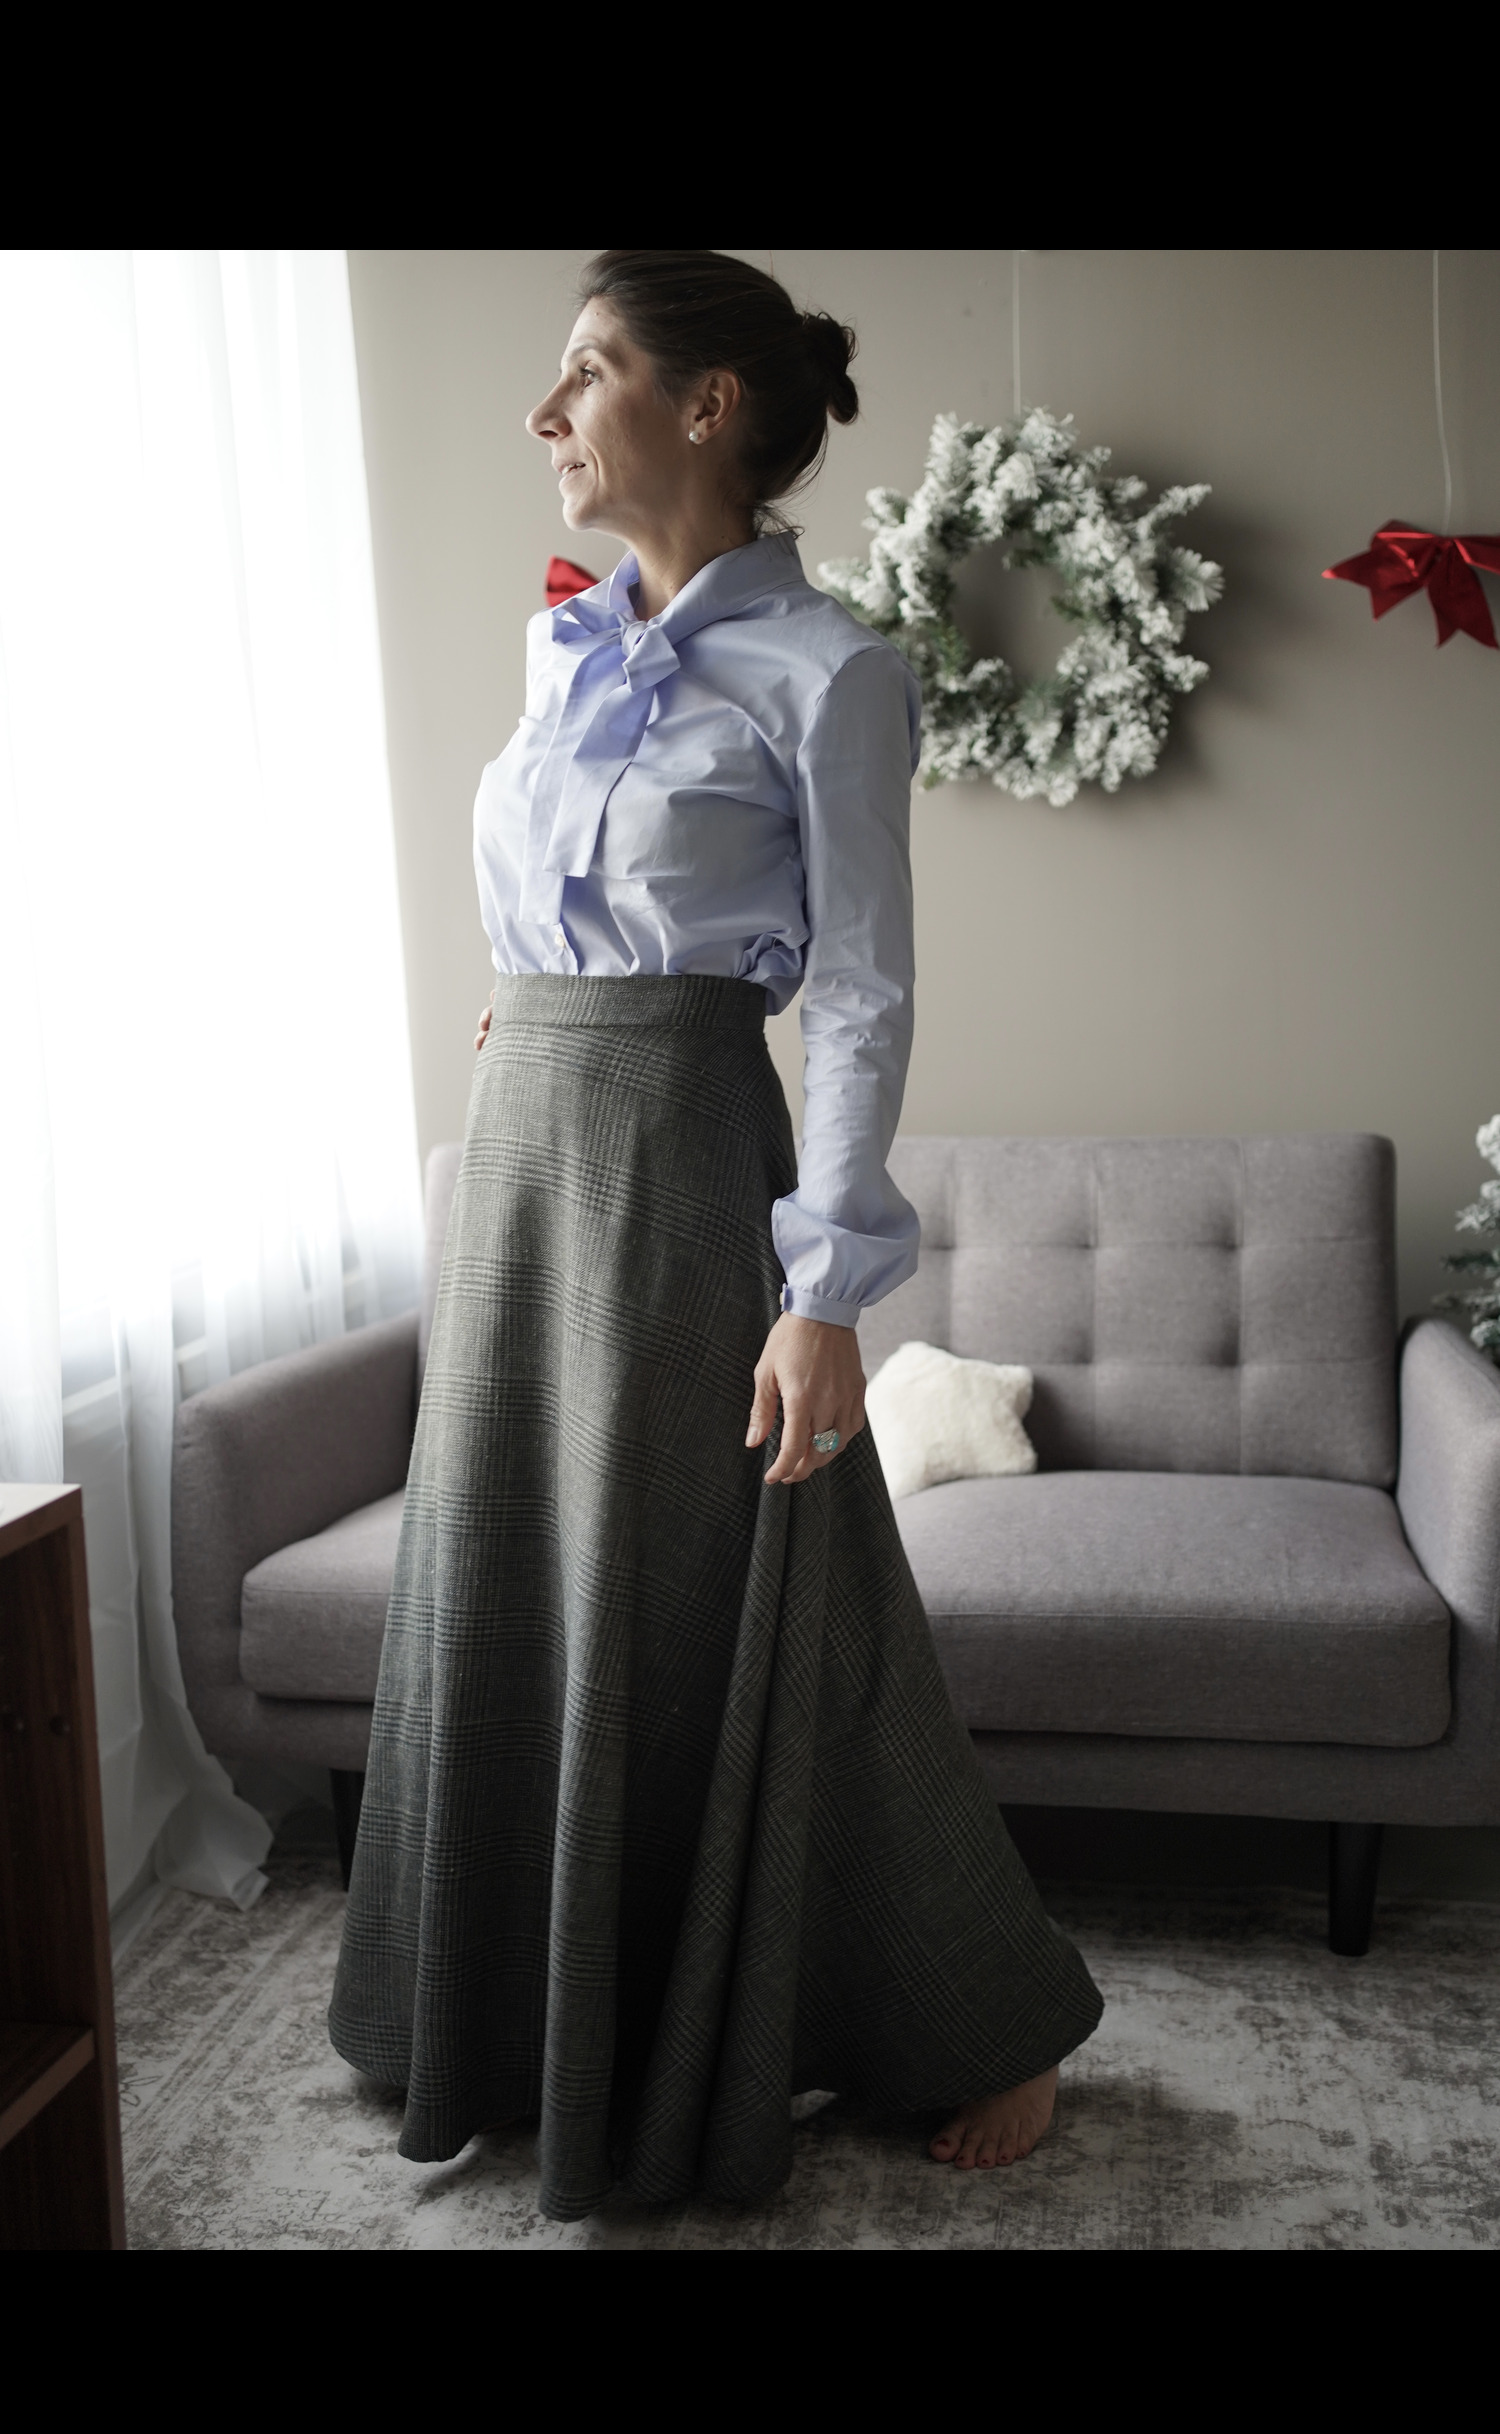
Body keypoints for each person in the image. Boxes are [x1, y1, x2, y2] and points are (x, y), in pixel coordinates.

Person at [330, 250, 1101, 2220]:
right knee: (516, 1577)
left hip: (681, 1173)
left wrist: (825, 1288)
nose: (546, 412)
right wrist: (528, 1010)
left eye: (587, 369)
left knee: (753, 1600)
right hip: (521, 1161)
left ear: (705, 405)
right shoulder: (562, 646)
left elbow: (857, 992)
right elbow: (554, 905)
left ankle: (988, 2012)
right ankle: (527, 2016)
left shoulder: (834, 671)